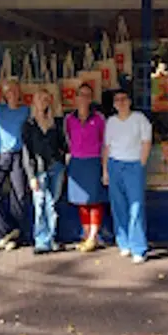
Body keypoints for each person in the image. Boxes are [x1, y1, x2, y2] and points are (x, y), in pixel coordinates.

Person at [102, 89, 153, 264]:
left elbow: (147, 141)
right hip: (114, 164)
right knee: (118, 206)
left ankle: (138, 247)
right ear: (114, 104)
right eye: (117, 100)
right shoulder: (111, 122)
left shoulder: (140, 119)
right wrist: (105, 171)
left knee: (136, 206)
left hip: (133, 165)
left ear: (130, 101)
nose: (121, 102)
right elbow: (107, 147)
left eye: (124, 99)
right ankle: (124, 243)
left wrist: (141, 163)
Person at [0, 79, 31, 251]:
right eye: (8, 91)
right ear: (3, 94)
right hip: (1, 156)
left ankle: (17, 234)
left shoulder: (26, 110)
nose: (11, 93)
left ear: (19, 92)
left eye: (14, 90)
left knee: (19, 195)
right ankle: (4, 232)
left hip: (19, 156)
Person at [22, 88, 67, 255]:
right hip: (38, 170)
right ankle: (41, 241)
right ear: (34, 102)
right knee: (40, 204)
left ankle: (51, 238)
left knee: (52, 204)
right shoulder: (29, 125)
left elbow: (63, 145)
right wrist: (31, 176)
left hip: (56, 168)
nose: (43, 102)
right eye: (40, 99)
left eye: (46, 99)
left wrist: (65, 160)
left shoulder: (56, 123)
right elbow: (27, 152)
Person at [64, 83, 108, 252]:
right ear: (75, 98)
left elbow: (104, 143)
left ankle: (93, 236)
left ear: (91, 98)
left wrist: (104, 167)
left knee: (95, 200)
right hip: (77, 162)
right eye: (80, 94)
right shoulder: (69, 119)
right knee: (81, 200)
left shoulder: (98, 119)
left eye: (87, 95)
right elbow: (68, 140)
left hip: (93, 161)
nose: (83, 98)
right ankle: (86, 233)